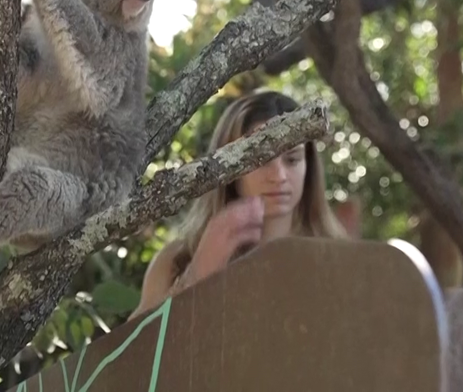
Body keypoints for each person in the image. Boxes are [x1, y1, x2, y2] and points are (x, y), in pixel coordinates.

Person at [131, 90, 350, 319]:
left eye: (292, 160)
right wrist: (195, 275)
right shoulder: (175, 261)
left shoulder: (337, 259)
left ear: (309, 166)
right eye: (261, 159)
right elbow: (131, 351)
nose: (279, 176)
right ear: (228, 167)